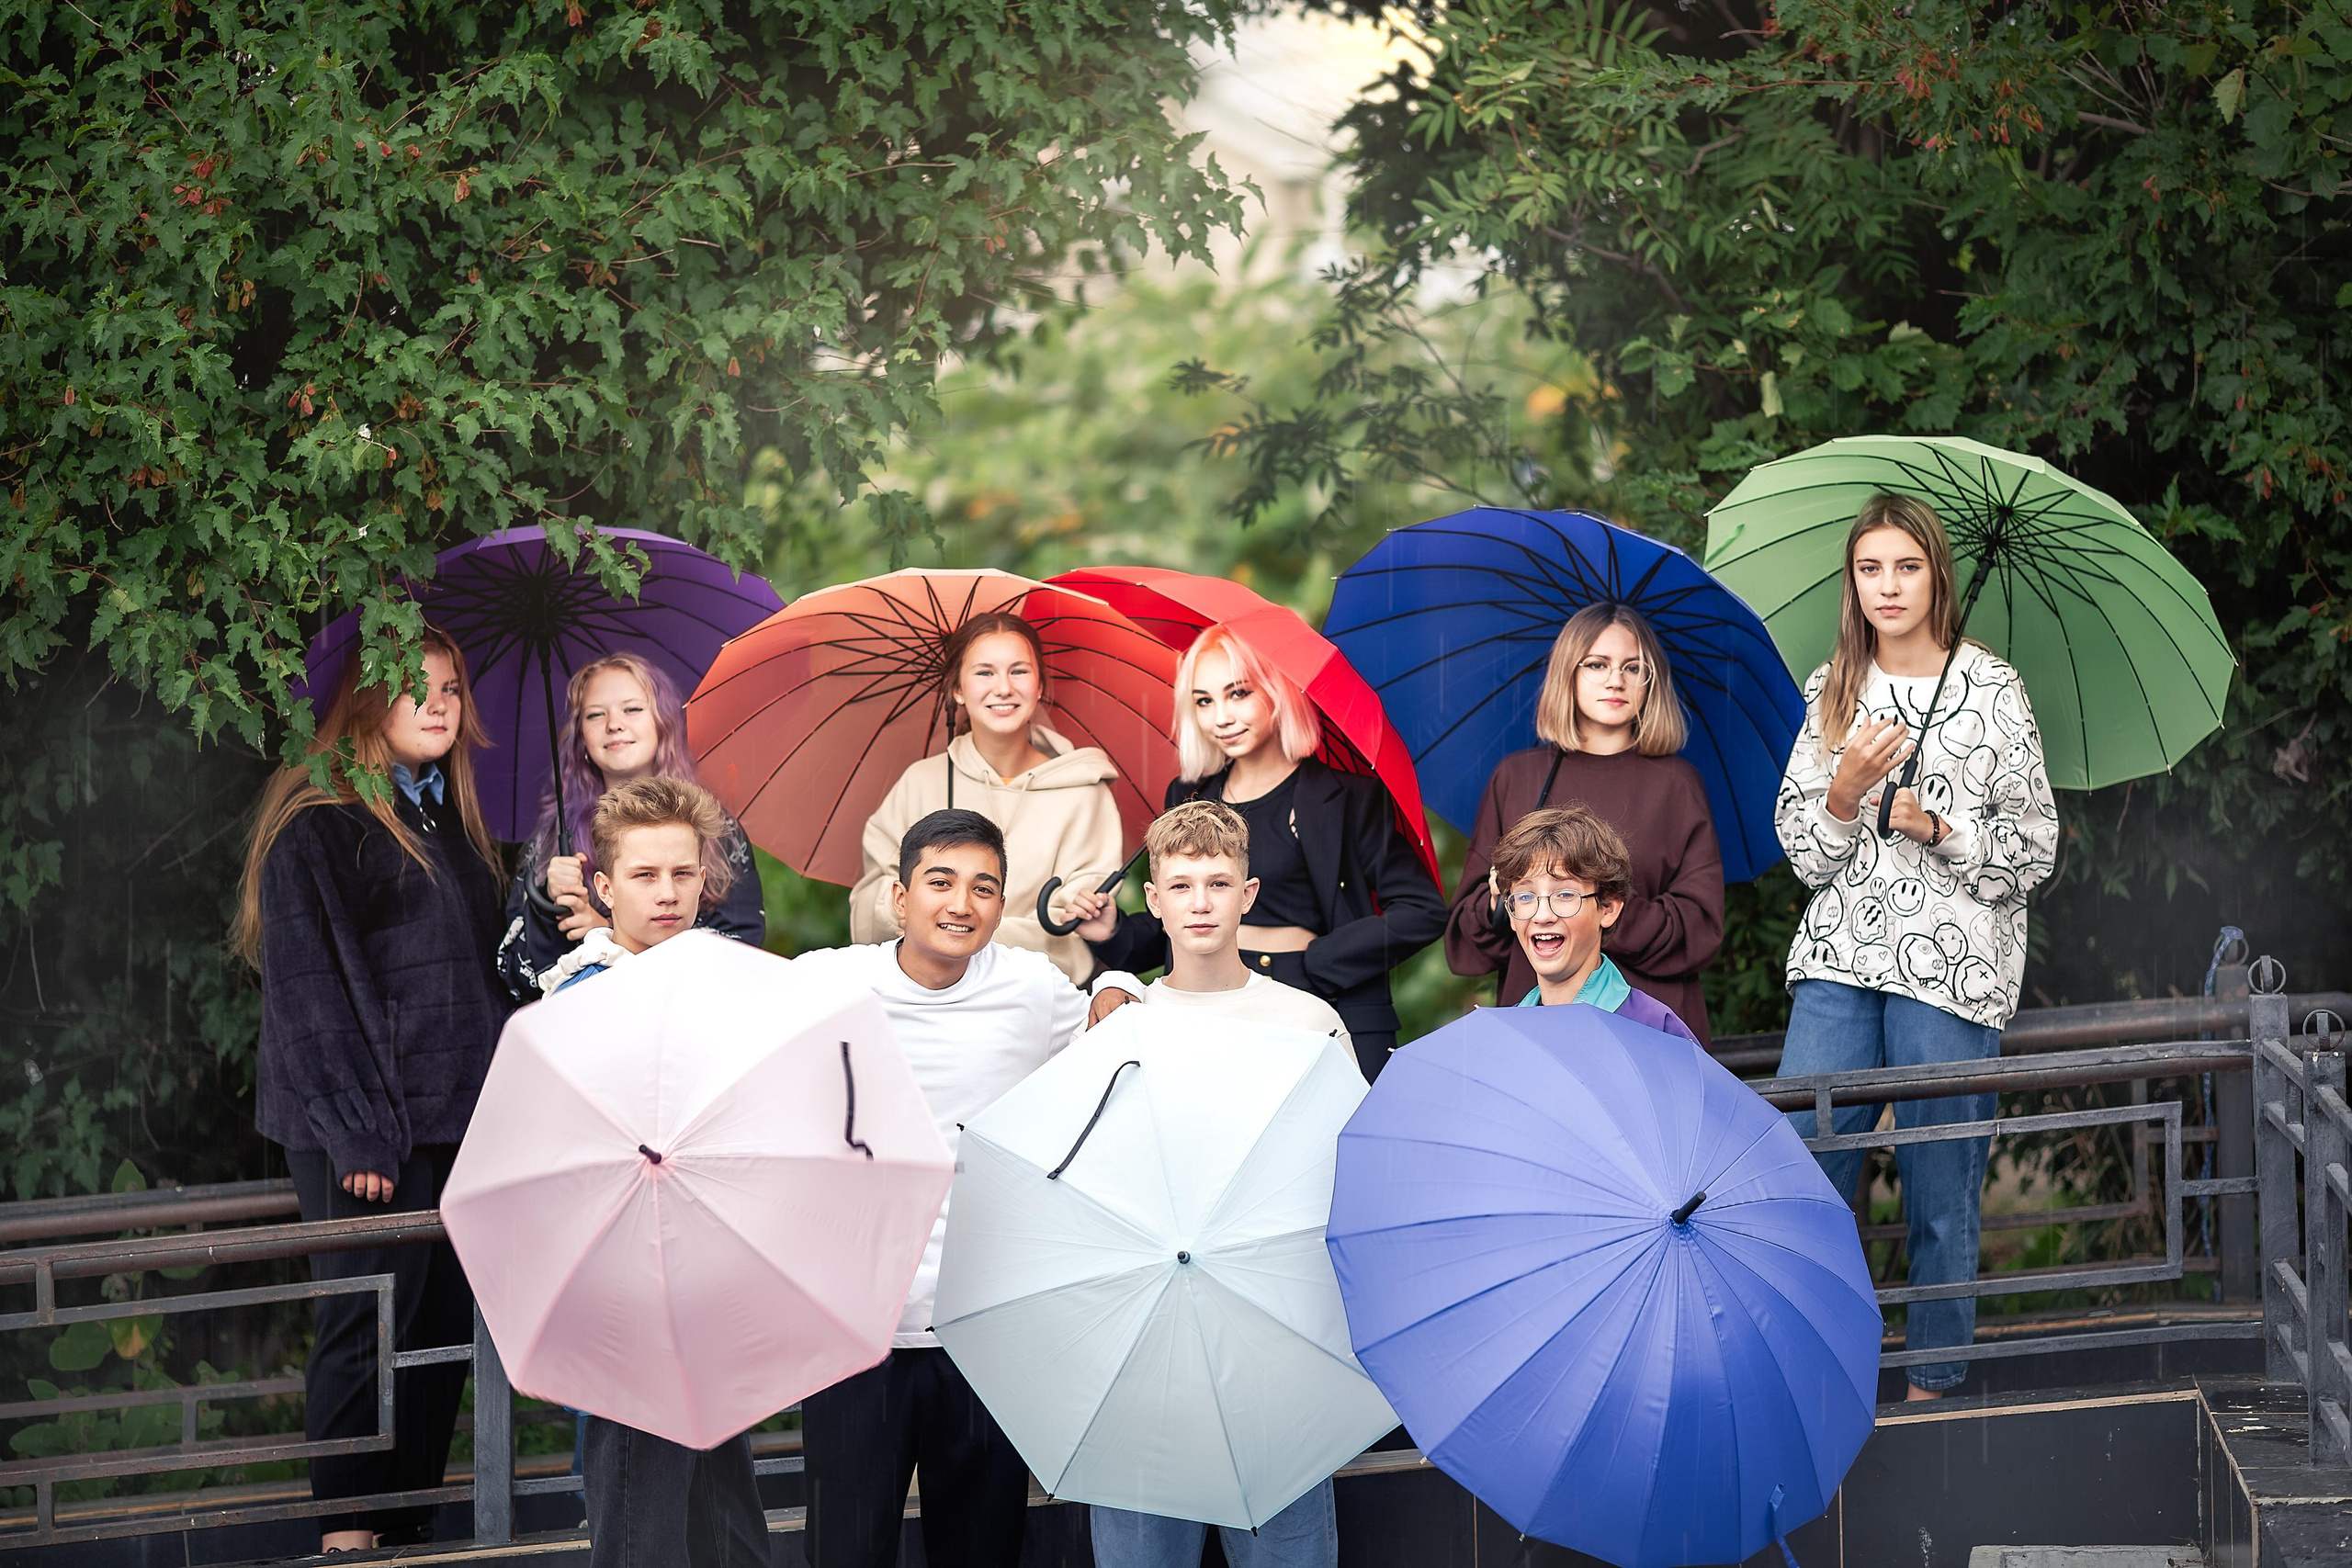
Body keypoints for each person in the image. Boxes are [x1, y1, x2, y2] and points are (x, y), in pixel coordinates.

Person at [1774, 492, 2057, 1401]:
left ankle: (1934, 1384)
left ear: (1935, 573)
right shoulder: (1830, 691)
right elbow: (1804, 858)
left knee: (1940, 1188)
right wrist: (1843, 792)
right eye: (1869, 569)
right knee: (1804, 1173)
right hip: (1840, 962)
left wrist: (1939, 828)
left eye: (1905, 566)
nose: (1887, 586)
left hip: (1952, 969)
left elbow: (2032, 854)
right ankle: (1821, 1372)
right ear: (1851, 583)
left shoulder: (1992, 688)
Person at [234, 628, 508, 1554]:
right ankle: (347, 1535)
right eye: (413, 689)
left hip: (453, 1122)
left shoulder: (455, 829)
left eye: (451, 689)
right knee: (365, 1322)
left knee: (437, 1331)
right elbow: (310, 996)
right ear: (363, 703)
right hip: (362, 1132)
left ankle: (405, 1525)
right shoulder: (321, 824)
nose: (439, 704)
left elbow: (483, 984)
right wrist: (356, 1138)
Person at [795, 808, 1089, 1568]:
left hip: (984, 1330)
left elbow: (1110, 1035)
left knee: (983, 1550)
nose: (962, 903)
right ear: (899, 898)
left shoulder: (1031, 989)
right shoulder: (827, 982)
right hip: (858, 1332)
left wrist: (1119, 981)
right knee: (846, 1552)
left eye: (984, 887)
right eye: (941, 882)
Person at [1084, 799, 1349, 1568]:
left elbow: (1345, 1174)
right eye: (1183, 884)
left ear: (1249, 894)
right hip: (1145, 1351)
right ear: (1153, 901)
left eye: (1218, 882)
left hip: (1274, 1350)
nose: (1201, 901)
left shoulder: (1308, 1022)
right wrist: (1112, 981)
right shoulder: (1116, 1024)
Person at [538, 777, 770, 1568]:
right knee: (645, 1538)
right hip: (629, 1300)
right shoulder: (582, 995)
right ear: (603, 887)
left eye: (682, 873)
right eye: (644, 875)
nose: (668, 893)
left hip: (710, 1287)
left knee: (730, 1535)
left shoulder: (724, 980)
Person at [1069, 623, 1445, 1081]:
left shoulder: (1349, 796)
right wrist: (1113, 931)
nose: (1220, 717)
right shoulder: (1189, 794)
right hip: (1207, 1007)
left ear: (1277, 692)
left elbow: (1421, 911)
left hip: (1324, 1004)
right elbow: (1184, 915)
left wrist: (1319, 961)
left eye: (1239, 694)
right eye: (1204, 701)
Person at [1444, 603, 1724, 1041]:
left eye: (1633, 668)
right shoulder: (1518, 778)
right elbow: (1465, 934)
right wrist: (1503, 901)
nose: (1616, 680)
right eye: (1597, 664)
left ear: (1650, 683)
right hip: (1538, 1029)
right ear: (1568, 674)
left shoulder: (1677, 783)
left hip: (1648, 1027)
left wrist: (1594, 904)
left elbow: (1701, 927)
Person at [851, 611, 1125, 984]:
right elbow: (871, 904)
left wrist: (941, 924)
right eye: (984, 672)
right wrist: (902, 908)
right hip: (930, 991)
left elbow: (1072, 922)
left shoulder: (1084, 791)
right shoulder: (921, 782)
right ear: (957, 689)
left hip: (1042, 993)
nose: (1003, 687)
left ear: (1040, 685)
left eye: (1019, 671)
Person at [496, 652, 764, 1000]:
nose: (614, 724)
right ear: (581, 737)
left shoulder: (715, 829)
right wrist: (548, 906)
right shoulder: (551, 839)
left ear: (663, 721)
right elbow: (517, 978)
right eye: (595, 714)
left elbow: (742, 951)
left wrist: (609, 936)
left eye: (632, 709)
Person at [1486, 807, 1699, 1042]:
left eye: (1565, 895)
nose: (1542, 916)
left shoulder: (1657, 1032)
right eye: (1526, 897)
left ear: (1608, 908)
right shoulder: (1503, 1039)